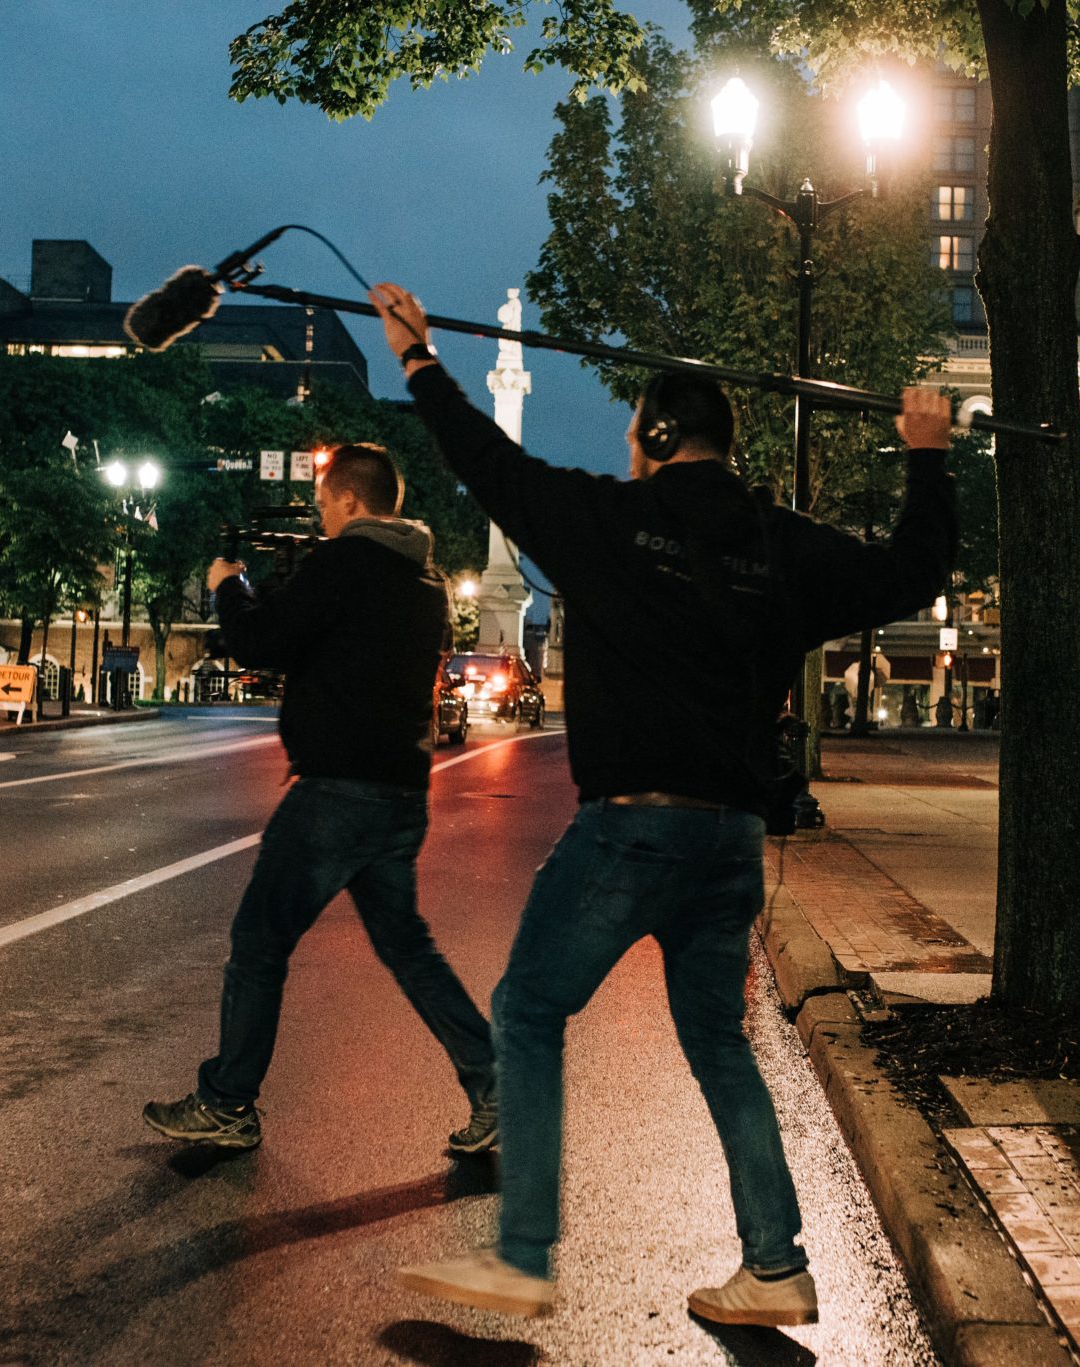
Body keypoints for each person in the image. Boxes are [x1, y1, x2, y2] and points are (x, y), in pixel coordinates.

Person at [368, 281, 956, 1326]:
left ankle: (522, 1253)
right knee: (718, 1041)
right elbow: (913, 570)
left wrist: (418, 359)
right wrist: (926, 453)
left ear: (653, 436)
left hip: (631, 826)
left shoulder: (607, 520)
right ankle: (772, 1263)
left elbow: (487, 462)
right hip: (730, 837)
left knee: (527, 1008)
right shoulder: (782, 545)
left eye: (634, 434)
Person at [142, 442, 498, 1152]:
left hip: (335, 793)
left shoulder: (344, 564)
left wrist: (228, 584)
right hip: (400, 792)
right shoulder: (425, 583)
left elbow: (258, 641)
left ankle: (228, 1101)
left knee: (259, 941)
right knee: (409, 950)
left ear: (351, 501)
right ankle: (498, 1085)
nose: (321, 516)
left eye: (325, 503)